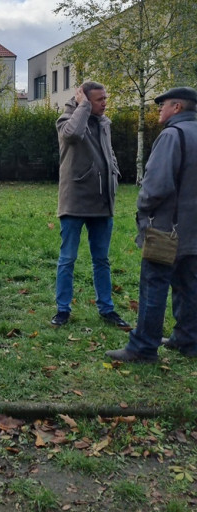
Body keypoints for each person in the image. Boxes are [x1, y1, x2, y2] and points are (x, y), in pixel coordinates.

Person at [106, 86, 197, 363]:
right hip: (194, 231)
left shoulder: (172, 135)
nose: (160, 108)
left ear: (177, 107)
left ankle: (144, 347)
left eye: (164, 104)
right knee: (189, 287)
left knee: (154, 286)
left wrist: (143, 209)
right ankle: (188, 340)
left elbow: (156, 186)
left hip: (166, 229)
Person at [51, 81, 131, 329]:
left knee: (102, 260)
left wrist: (114, 174)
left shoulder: (105, 123)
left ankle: (107, 309)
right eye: (99, 99)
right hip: (74, 201)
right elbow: (73, 135)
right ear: (83, 100)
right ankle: (62, 309)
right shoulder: (65, 120)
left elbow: (108, 154)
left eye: (105, 98)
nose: (105, 103)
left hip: (102, 202)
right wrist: (83, 106)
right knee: (67, 259)